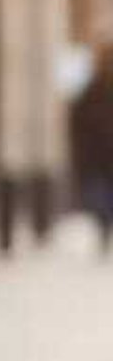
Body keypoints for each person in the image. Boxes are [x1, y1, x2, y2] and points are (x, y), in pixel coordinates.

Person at [71, 43, 113, 255]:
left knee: (103, 198)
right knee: (101, 198)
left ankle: (104, 228)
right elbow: (78, 124)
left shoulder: (90, 89)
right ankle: (103, 228)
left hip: (100, 157)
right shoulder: (90, 90)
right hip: (98, 157)